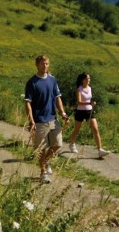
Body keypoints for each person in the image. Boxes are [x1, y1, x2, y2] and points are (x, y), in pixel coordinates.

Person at [24, 55, 70, 183]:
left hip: (53, 118)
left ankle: (45, 162)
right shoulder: (32, 82)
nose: (45, 66)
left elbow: (57, 98)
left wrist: (63, 113)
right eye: (43, 64)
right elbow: (27, 102)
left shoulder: (52, 80)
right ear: (37, 65)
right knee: (41, 149)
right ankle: (43, 173)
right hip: (39, 120)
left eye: (47, 64)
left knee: (58, 144)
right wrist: (31, 120)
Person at [67, 72, 110, 157]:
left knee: (95, 129)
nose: (88, 80)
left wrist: (91, 104)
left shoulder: (90, 88)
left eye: (89, 78)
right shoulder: (79, 89)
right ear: (82, 80)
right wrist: (89, 103)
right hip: (80, 111)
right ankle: (72, 144)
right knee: (77, 130)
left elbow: (89, 99)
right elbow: (79, 102)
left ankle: (100, 150)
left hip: (89, 111)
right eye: (87, 78)